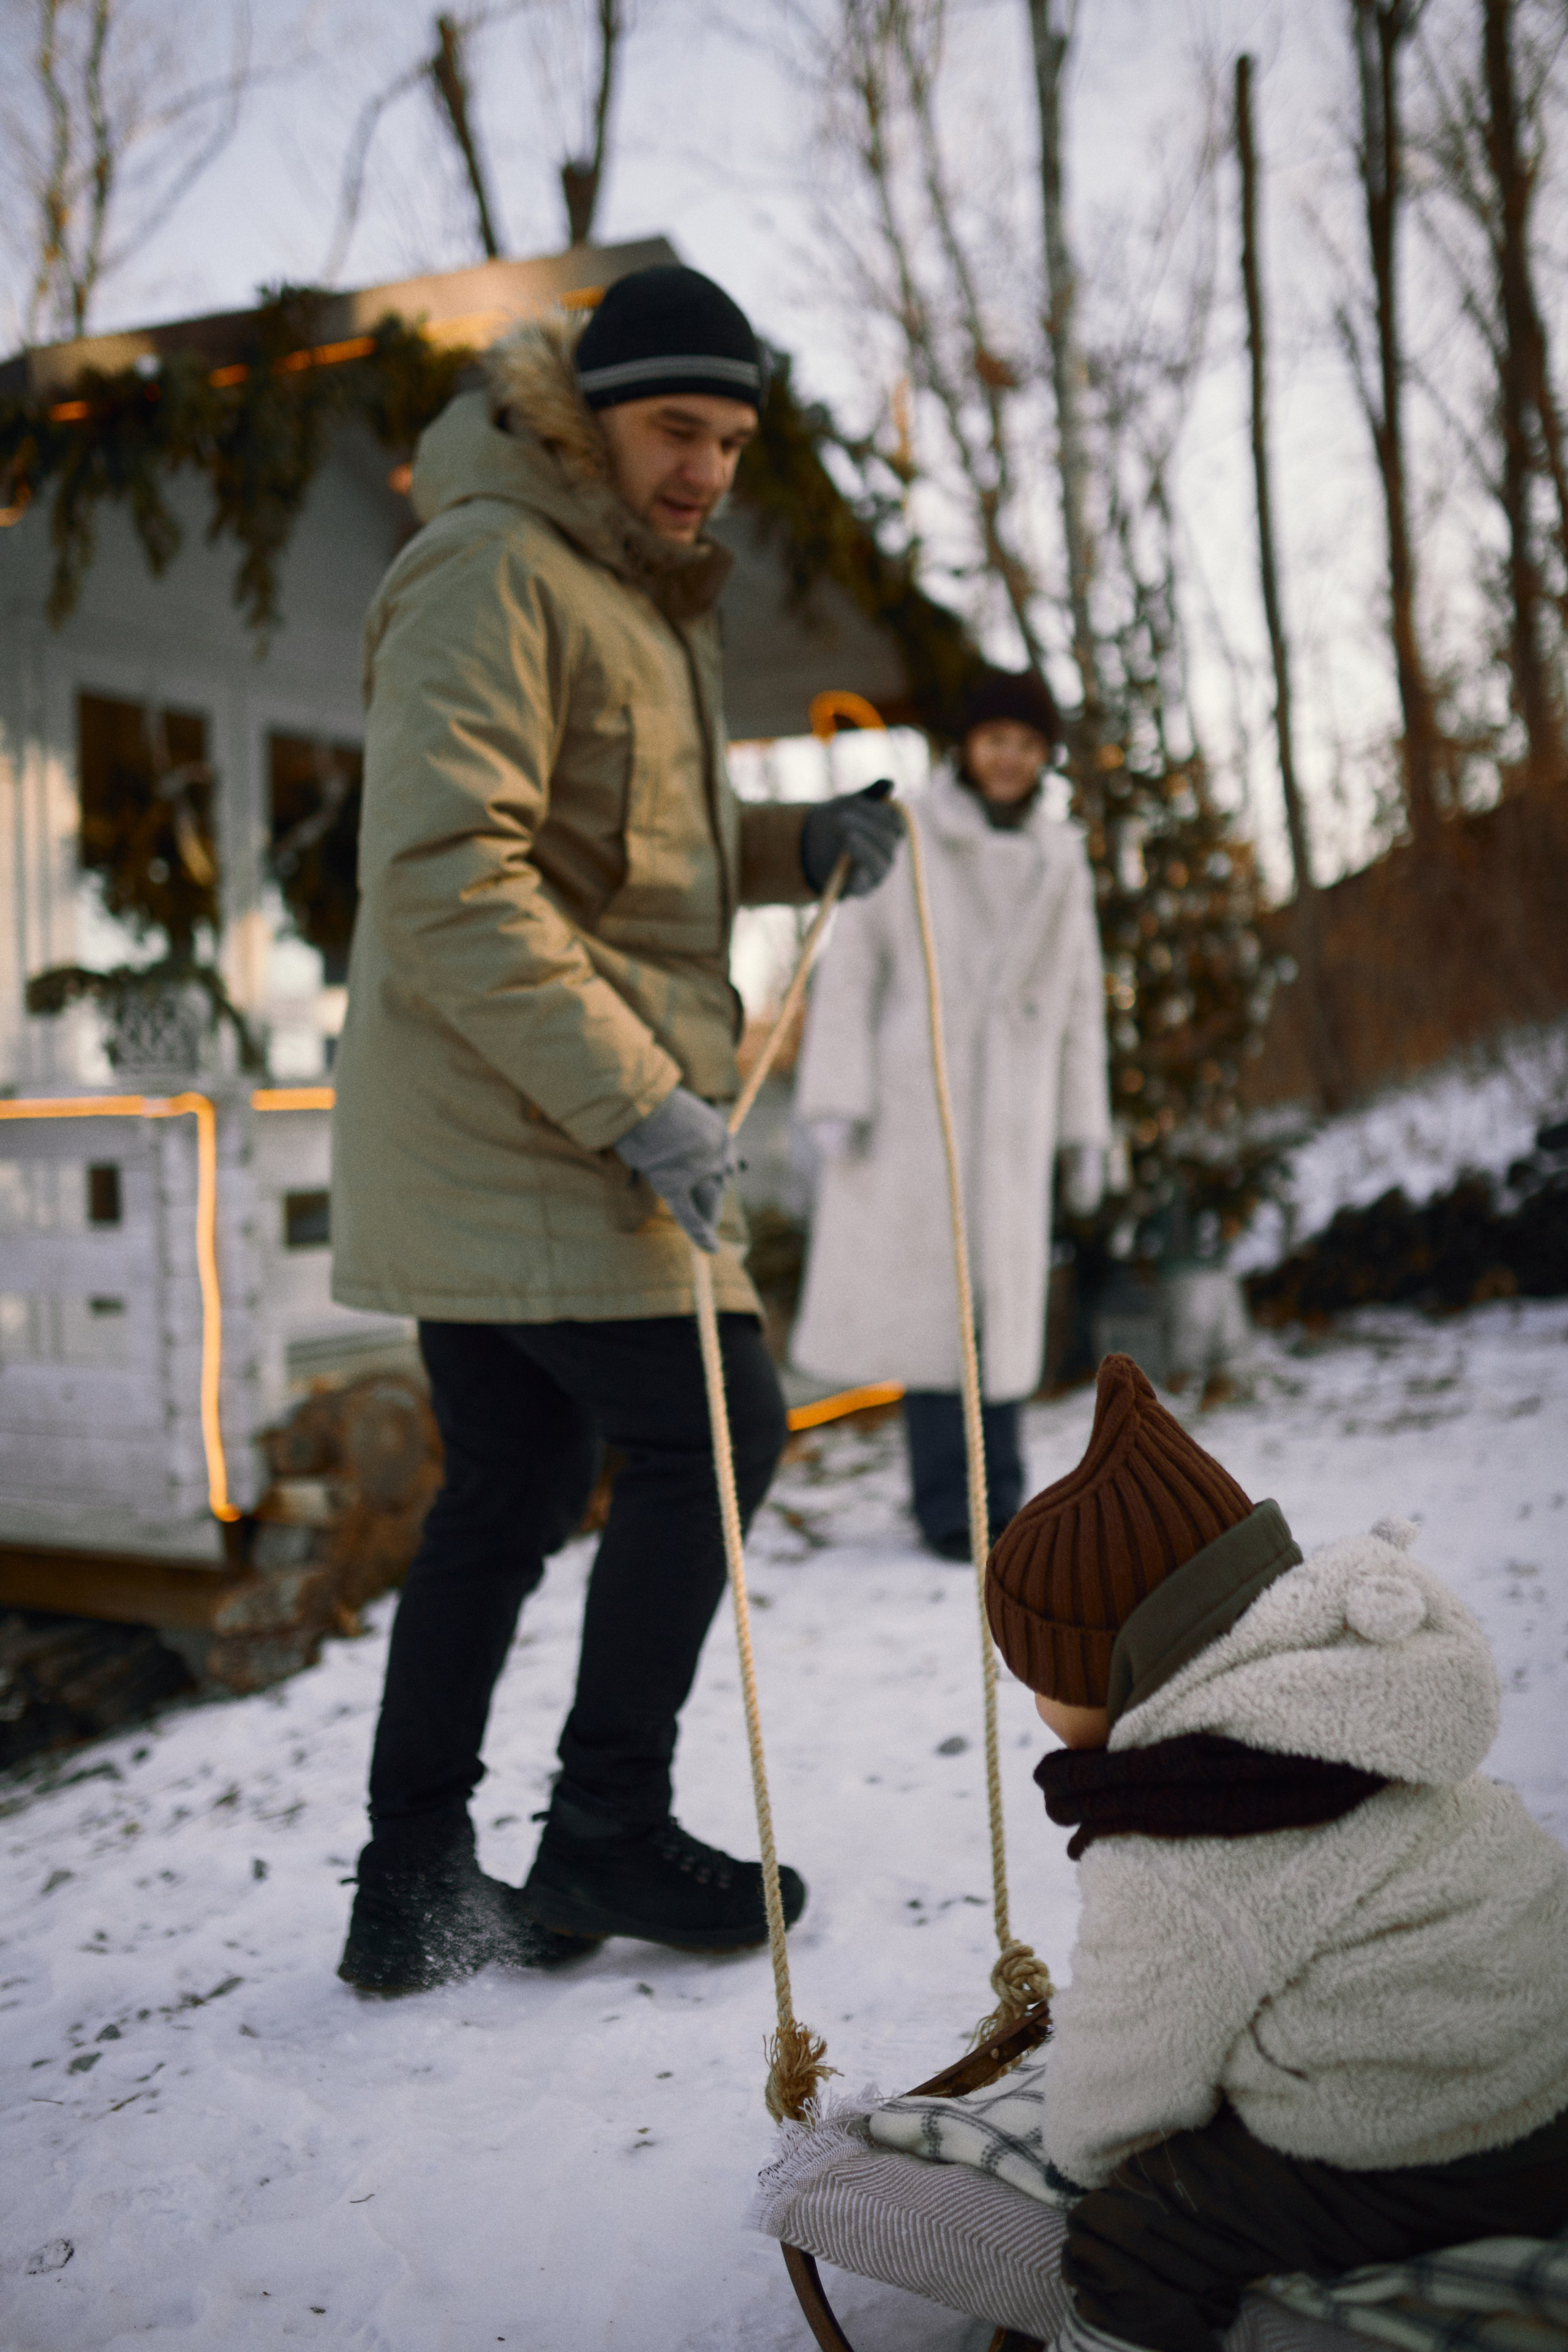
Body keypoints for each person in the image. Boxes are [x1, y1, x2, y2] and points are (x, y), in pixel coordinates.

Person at [328, 264, 903, 1993]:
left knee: (506, 1486)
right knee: (717, 1423)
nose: (707, 469)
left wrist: (798, 844)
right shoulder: (490, 566)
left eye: (731, 439)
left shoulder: (627, 591)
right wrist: (641, 1101)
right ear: (588, 413)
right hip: (525, 1115)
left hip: (536, 1112)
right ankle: (605, 1825)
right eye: (677, 428)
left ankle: (415, 1880)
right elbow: (445, 873)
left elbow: (635, 822)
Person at [979, 1354, 1568, 2352]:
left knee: (1136, 2236)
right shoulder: (1356, 1686)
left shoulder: (1186, 1830)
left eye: (1037, 1676)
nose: (1032, 1703)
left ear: (1109, 1670)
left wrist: (1094, 2146)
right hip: (1547, 2061)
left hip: (1427, 2138)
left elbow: (1122, 2087)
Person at [790, 671, 1112, 1559]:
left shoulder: (1062, 853)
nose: (1008, 757)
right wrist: (836, 1097)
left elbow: (1081, 995)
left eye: (1026, 743)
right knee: (936, 1306)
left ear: (1044, 757)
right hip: (917, 1096)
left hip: (1015, 1102)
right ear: (966, 749)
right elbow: (855, 964)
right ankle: (946, 1506)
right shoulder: (911, 831)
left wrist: (1085, 1126)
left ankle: (1002, 1495)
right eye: (993, 739)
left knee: (1003, 1305)